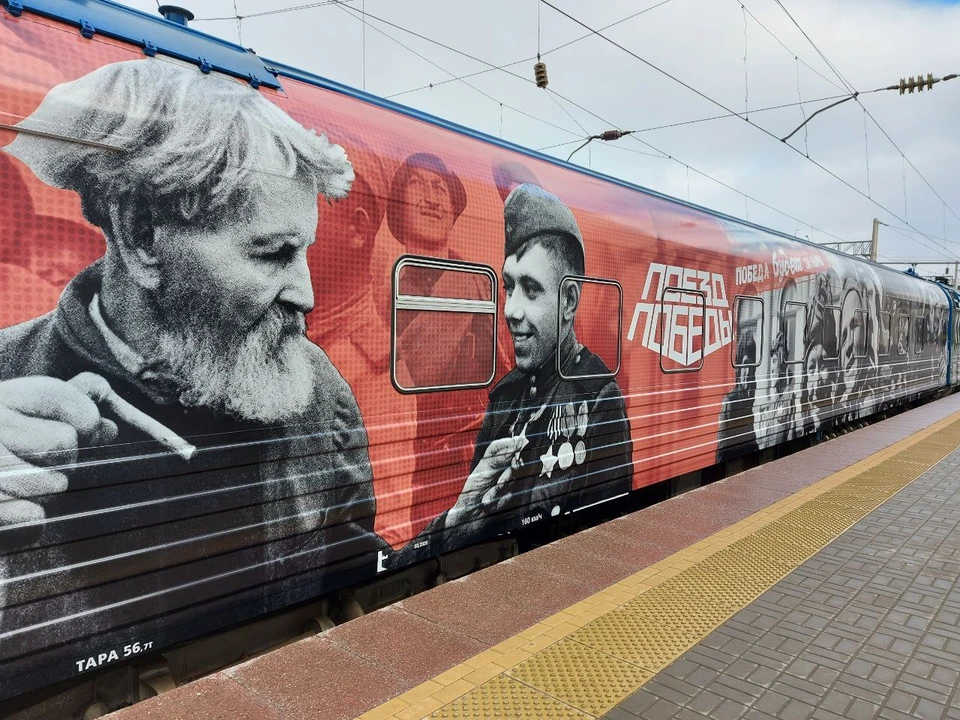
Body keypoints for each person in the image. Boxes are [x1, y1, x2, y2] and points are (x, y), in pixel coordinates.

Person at [0, 59, 473, 654]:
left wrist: (447, 541)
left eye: (303, 251)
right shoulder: (7, 381)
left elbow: (345, 571)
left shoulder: (318, 392)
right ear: (143, 236)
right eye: (273, 253)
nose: (304, 293)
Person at [443, 183, 633, 533]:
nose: (511, 310)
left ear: (570, 301)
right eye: (508, 287)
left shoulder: (598, 397)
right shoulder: (505, 396)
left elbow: (608, 533)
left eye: (531, 290)